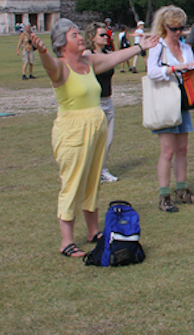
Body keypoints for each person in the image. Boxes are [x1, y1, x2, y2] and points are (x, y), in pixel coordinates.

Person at [29, 18, 157, 258]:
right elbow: (49, 66)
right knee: (73, 182)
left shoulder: (88, 62)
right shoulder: (60, 66)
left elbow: (114, 58)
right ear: (61, 43)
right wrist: (42, 52)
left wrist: (142, 46)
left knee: (91, 181)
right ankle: (66, 242)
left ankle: (93, 231)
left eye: (79, 33)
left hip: (95, 127)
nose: (80, 37)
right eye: (74, 35)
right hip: (72, 132)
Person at [147, 6, 194, 212]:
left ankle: (182, 189)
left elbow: (190, 70)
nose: (178, 32)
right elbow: (152, 72)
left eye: (182, 28)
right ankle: (164, 195)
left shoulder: (185, 48)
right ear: (164, 27)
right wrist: (174, 68)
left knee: (182, 149)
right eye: (174, 28)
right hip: (165, 102)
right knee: (167, 151)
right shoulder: (158, 46)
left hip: (182, 101)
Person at [82, 22, 120, 182]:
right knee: (91, 140)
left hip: (107, 100)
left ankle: (101, 170)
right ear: (92, 37)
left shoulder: (108, 53)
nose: (106, 37)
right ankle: (88, 171)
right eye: (102, 35)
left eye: (107, 35)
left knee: (108, 139)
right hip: (93, 102)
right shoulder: (86, 54)